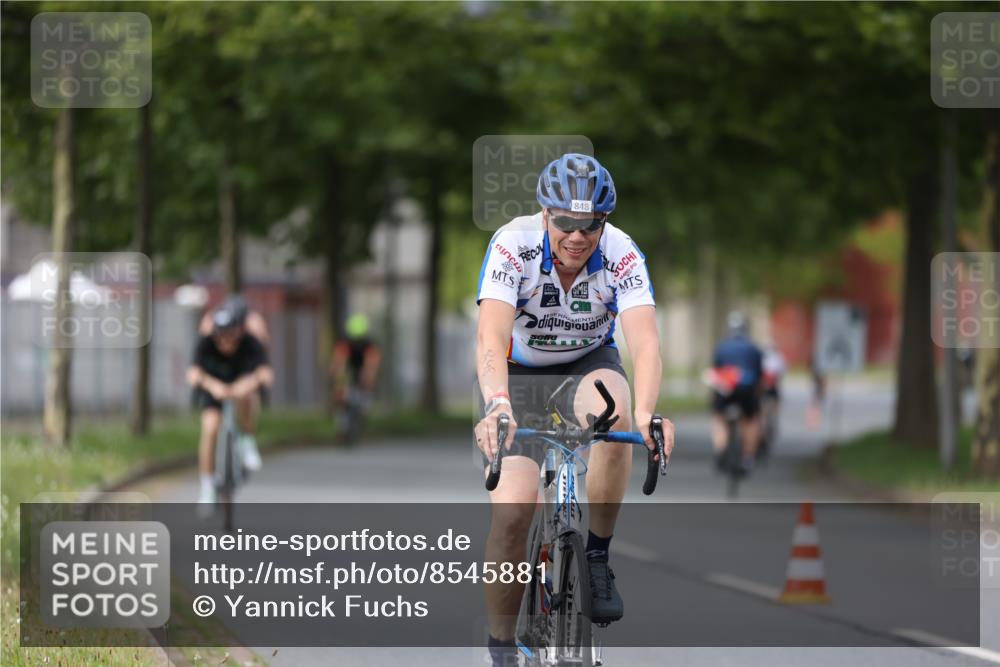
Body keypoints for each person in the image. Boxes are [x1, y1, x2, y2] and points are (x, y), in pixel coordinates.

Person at [473, 153, 675, 667]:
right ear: (545, 214)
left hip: (588, 365)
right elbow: (491, 334)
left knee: (618, 412)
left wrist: (650, 413)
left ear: (603, 222)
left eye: (590, 224)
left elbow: (645, 343)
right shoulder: (511, 244)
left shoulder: (622, 252)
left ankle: (598, 556)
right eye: (564, 222)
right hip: (518, 375)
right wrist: (497, 403)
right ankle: (500, 648)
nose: (577, 235)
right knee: (514, 513)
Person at [187, 299, 273, 509]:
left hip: (240, 386)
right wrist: (212, 385)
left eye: (231, 337)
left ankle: (247, 441)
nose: (226, 343)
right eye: (221, 337)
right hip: (214, 388)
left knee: (248, 398)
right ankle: (207, 485)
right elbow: (193, 373)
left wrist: (247, 384)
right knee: (210, 428)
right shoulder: (205, 342)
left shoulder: (251, 342)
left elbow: (265, 373)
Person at [709, 311, 764, 474]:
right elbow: (759, 377)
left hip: (725, 389)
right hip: (747, 390)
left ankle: (721, 448)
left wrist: (713, 396)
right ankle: (748, 458)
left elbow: (716, 373)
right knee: (751, 420)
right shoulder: (754, 349)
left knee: (719, 418)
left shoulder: (721, 347)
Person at [328, 313, 381, 440]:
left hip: (363, 366)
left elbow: (372, 364)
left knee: (367, 383)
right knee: (340, 390)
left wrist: (368, 378)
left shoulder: (369, 345)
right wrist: (337, 375)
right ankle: (341, 423)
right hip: (349, 366)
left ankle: (362, 409)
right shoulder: (344, 343)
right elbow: (337, 361)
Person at [759, 342, 786, 458]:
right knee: (773, 411)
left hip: (763, 389)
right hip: (773, 390)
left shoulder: (761, 358)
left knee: (763, 413)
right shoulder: (779, 358)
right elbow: (781, 374)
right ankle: (772, 426)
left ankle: (766, 427)